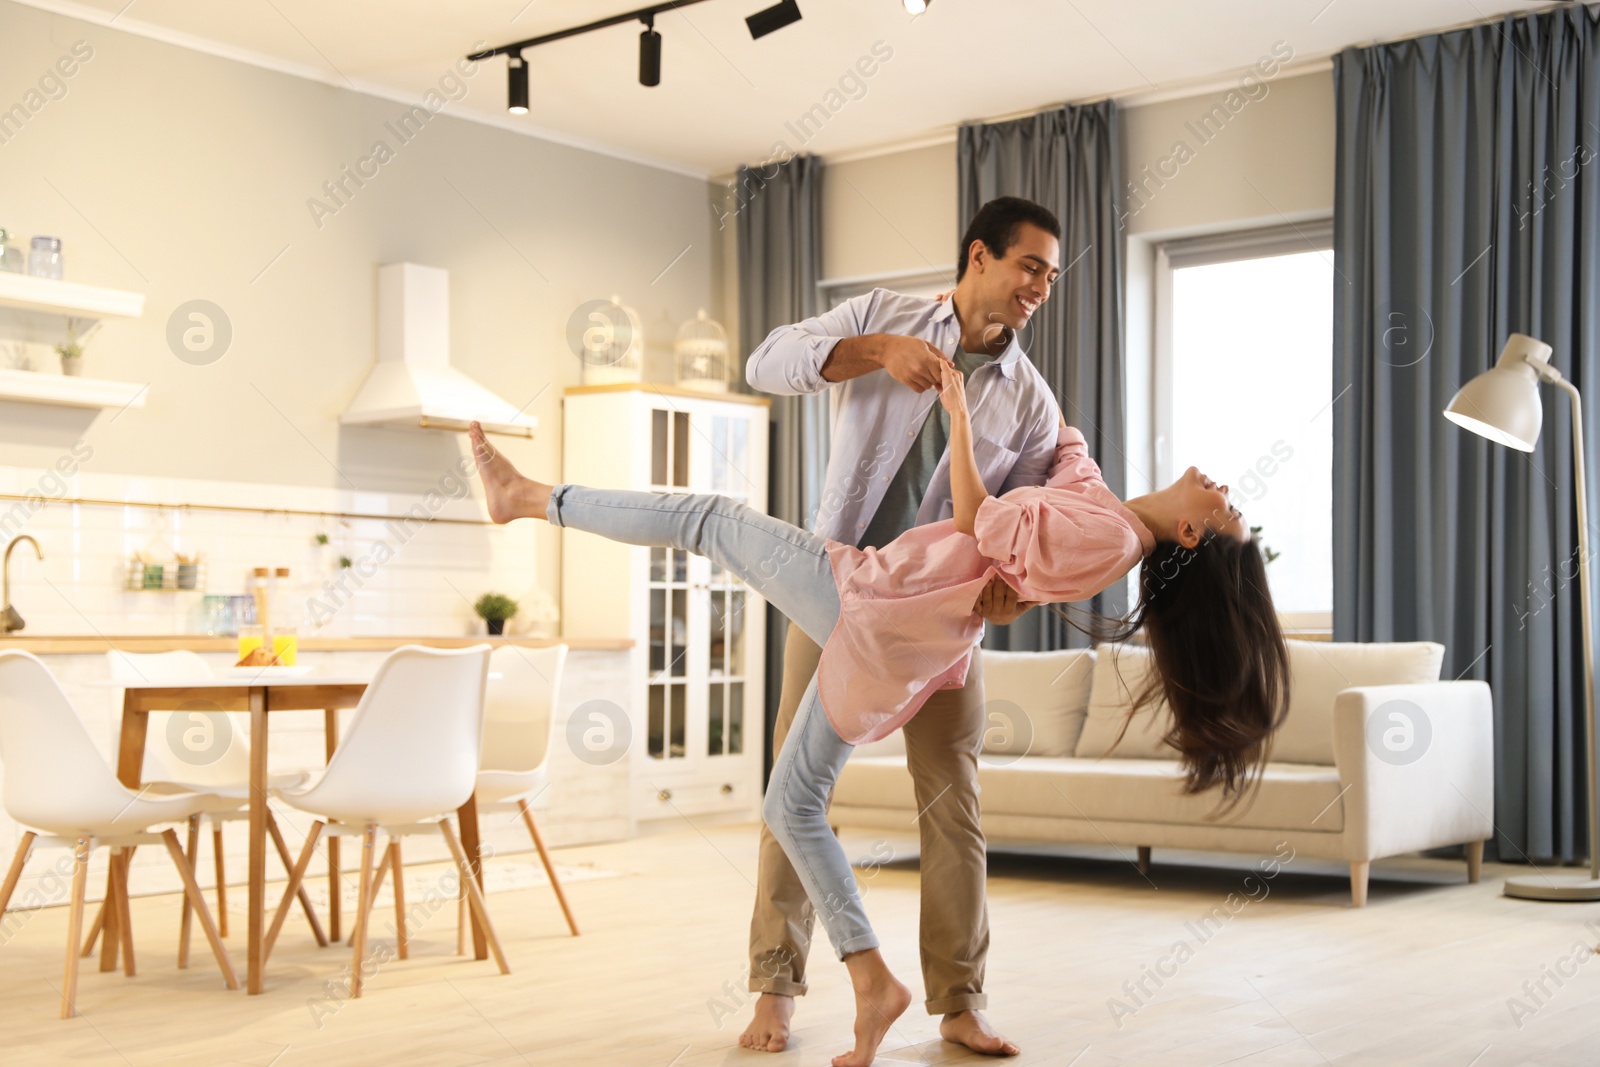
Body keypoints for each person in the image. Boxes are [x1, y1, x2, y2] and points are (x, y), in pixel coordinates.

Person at [467, 361, 1289, 1067]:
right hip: (898, 630)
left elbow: (981, 519)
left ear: (1188, 531)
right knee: (791, 802)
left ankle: (531, 497)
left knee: (708, 519)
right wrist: (1008, 360)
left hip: (874, 601)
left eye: (1225, 510)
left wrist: (961, 414)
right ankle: (872, 980)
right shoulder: (1107, 515)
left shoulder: (1110, 542)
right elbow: (1064, 444)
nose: (1222, 488)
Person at [741, 195, 1069, 1059]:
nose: (1041, 285)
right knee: (793, 783)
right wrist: (873, 353)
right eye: (1030, 265)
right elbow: (764, 362)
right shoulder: (883, 317)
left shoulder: (1032, 407)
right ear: (979, 258)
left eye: (1050, 274)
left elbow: (1021, 533)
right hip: (836, 593)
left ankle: (959, 1001)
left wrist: (1012, 593)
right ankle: (776, 983)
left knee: (953, 800)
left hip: (941, 622)